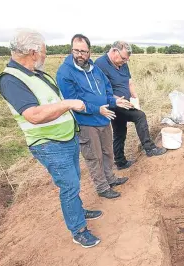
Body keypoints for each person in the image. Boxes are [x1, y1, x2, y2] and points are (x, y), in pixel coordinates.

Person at [0, 28, 102, 248]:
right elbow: (33, 115)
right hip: (49, 144)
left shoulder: (35, 73)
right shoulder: (11, 80)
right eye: (43, 51)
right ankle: (78, 230)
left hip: (66, 137)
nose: (45, 55)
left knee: (74, 180)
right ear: (33, 52)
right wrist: (68, 103)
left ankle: (79, 211)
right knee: (70, 185)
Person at [56, 34, 131, 199]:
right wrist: (97, 109)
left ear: (89, 52)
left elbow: (106, 89)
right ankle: (102, 187)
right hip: (86, 123)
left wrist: (114, 101)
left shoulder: (94, 68)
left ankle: (110, 178)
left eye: (84, 51)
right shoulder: (65, 72)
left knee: (107, 152)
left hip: (104, 118)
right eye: (76, 50)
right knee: (94, 156)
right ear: (71, 50)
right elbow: (73, 101)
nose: (80, 54)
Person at [94, 41, 167, 170]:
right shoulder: (100, 64)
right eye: (123, 58)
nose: (124, 62)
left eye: (127, 59)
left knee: (120, 132)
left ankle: (121, 162)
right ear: (114, 51)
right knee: (140, 116)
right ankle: (149, 148)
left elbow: (129, 82)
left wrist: (135, 98)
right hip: (112, 105)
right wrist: (117, 100)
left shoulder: (123, 64)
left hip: (126, 104)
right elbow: (100, 91)